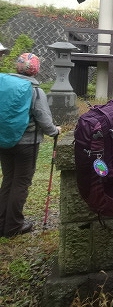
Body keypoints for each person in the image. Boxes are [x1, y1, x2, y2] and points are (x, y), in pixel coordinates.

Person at [0, 53, 60, 237]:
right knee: (21, 182)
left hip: (4, 139)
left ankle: (2, 223)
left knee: (8, 179)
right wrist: (55, 131)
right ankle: (13, 227)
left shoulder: (3, 84)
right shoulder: (34, 90)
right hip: (27, 143)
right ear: (36, 70)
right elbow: (44, 119)